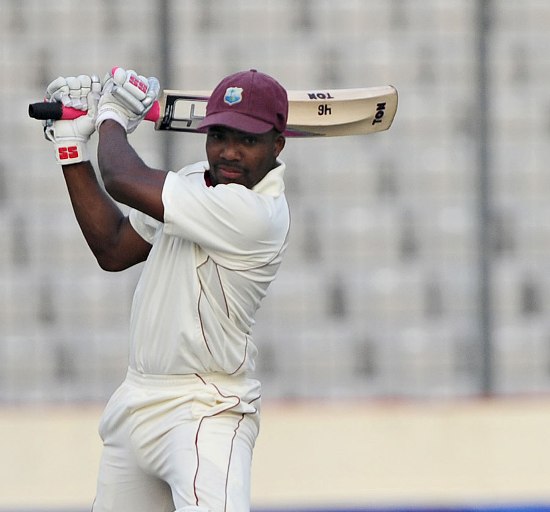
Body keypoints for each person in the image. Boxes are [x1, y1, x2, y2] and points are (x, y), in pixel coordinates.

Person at [41, 67, 290, 512]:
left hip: (206, 408)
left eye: (248, 140)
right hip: (137, 400)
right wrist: (71, 147)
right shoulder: (193, 182)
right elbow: (113, 248)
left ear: (277, 146)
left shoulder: (257, 213)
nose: (229, 152)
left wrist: (112, 115)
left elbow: (121, 177)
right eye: (219, 135)